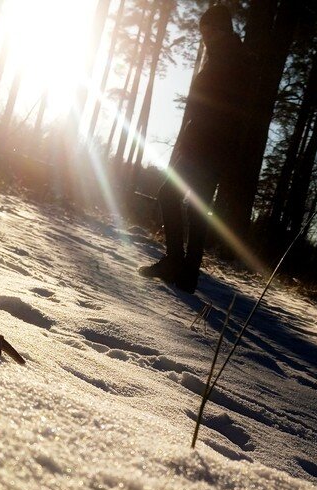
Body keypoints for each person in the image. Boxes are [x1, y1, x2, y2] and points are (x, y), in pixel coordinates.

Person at [138, 4, 250, 294]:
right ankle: (188, 274)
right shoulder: (228, 56)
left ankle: (176, 261)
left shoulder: (228, 59)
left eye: (209, 29)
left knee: (169, 194)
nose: (204, 36)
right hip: (210, 146)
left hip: (206, 145)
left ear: (222, 28)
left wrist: (195, 139)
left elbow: (221, 109)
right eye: (202, 31)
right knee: (197, 207)